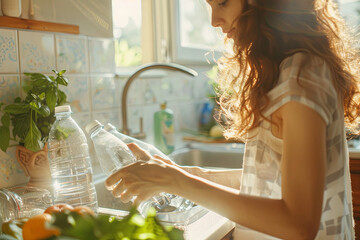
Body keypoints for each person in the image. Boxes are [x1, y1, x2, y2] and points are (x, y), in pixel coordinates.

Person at [105, 0, 360, 239]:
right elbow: (272, 177)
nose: (214, 20)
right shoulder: (287, 68)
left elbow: (299, 223)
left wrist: (174, 180)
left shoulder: (302, 75)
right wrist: (182, 173)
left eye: (223, 2)